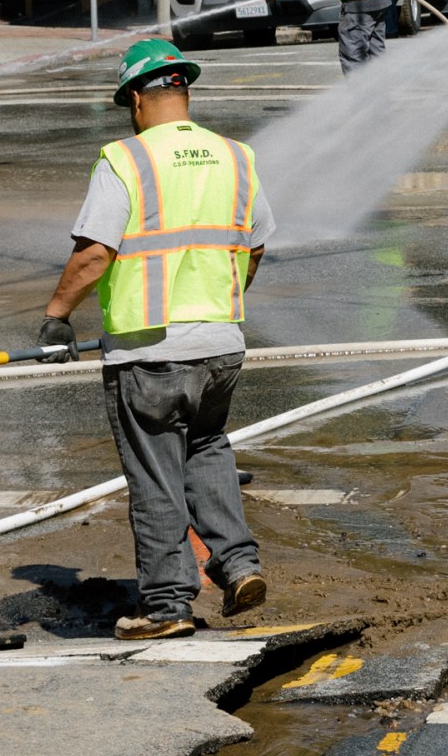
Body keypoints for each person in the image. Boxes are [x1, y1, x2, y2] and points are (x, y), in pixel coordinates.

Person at [38, 39, 273, 640]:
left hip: (148, 352)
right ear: (183, 94)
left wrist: (58, 314)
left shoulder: (125, 159)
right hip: (220, 344)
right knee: (208, 448)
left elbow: (94, 253)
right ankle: (239, 564)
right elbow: (253, 248)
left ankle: (167, 605)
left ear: (137, 100)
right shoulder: (235, 156)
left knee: (156, 474)